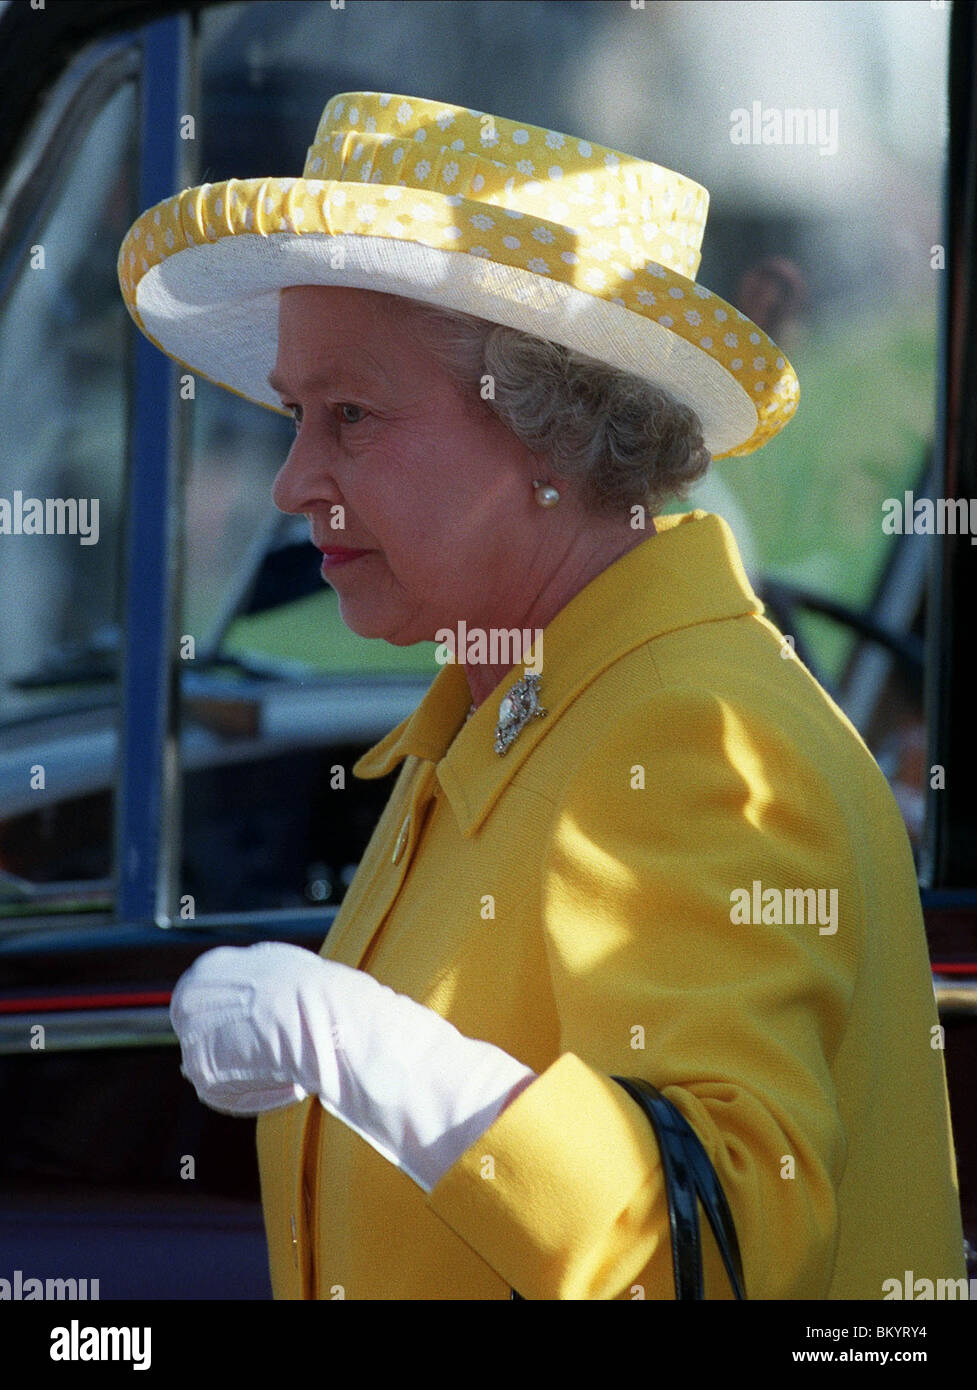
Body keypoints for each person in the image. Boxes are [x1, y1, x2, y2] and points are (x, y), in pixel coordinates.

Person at [118, 90, 965, 1300]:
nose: (293, 479)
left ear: (554, 432)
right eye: (296, 415)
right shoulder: (507, 705)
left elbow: (712, 1248)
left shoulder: (692, 735)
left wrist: (373, 1055)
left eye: (350, 414)